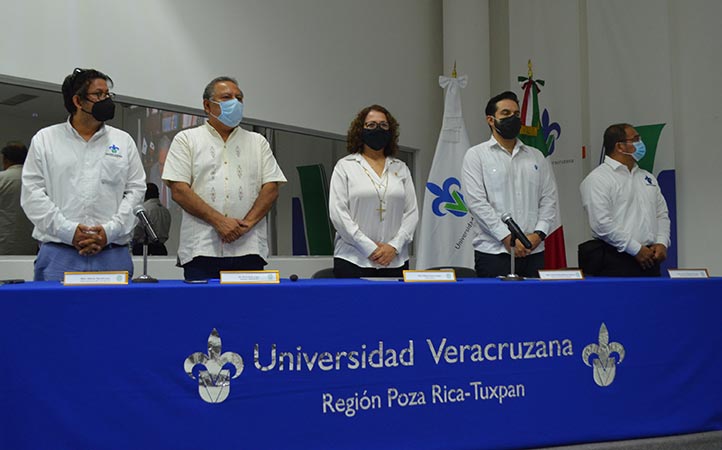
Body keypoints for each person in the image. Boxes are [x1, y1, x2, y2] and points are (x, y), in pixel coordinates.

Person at [21, 68, 146, 281]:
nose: (106, 99)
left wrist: (108, 232)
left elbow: (136, 191)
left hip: (113, 252)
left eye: (108, 94)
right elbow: (32, 195)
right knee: (55, 314)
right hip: (59, 253)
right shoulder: (45, 139)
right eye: (99, 95)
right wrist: (70, 232)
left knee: (115, 314)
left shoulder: (123, 141)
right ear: (78, 101)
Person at [162, 76, 286, 280]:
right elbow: (179, 190)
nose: (235, 103)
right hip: (201, 250)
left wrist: (246, 223)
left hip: (249, 247)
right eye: (227, 97)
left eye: (239, 98)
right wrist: (220, 222)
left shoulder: (258, 142)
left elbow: (271, 187)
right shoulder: (187, 140)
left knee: (248, 311)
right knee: (202, 311)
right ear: (207, 105)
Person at [461, 91, 559, 278]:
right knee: (495, 307)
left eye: (516, 114)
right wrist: (507, 238)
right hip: (494, 252)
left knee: (534, 306)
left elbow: (549, 199)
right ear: (491, 120)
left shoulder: (536, 155)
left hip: (534, 251)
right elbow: (477, 203)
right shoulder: (476, 155)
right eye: (505, 114)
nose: (513, 118)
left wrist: (538, 235)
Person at [328, 104, 418, 278]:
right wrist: (369, 248)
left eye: (383, 125)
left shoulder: (401, 168)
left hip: (395, 259)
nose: (378, 129)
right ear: (360, 131)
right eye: (371, 125)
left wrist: (393, 246)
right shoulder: (345, 166)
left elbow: (411, 213)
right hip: (353, 259)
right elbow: (338, 214)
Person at [579, 123, 670, 277]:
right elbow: (602, 223)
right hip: (615, 259)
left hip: (649, 258)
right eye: (635, 139)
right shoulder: (598, 179)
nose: (641, 143)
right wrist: (635, 249)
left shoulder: (647, 177)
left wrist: (662, 242)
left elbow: (661, 214)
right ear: (620, 146)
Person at [0, 142, 36, 255]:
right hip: (31, 242)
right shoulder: (36, 180)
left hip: (4, 241)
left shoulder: (2, 179)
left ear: (5, 160)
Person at [132, 183, 171, 256]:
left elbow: (137, 230)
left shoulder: (143, 209)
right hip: (161, 248)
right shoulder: (165, 211)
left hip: (144, 248)